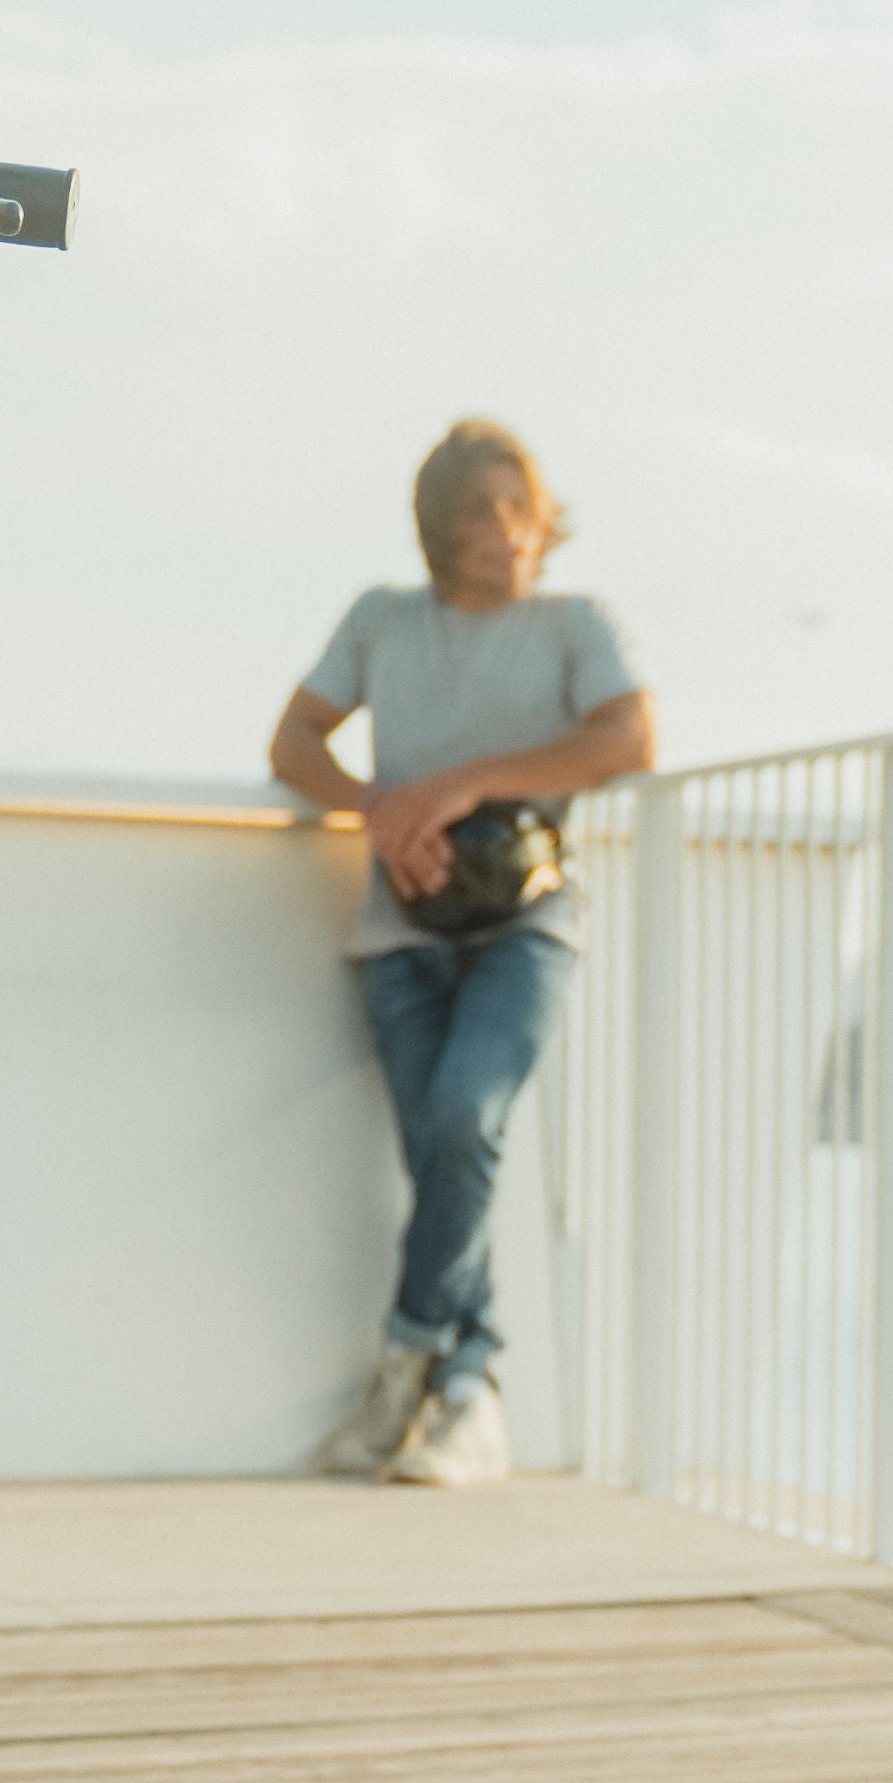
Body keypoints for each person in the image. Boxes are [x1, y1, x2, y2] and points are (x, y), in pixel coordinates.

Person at [269, 418, 657, 1485]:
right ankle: (465, 1396)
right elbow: (292, 740)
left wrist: (469, 781)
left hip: (524, 925)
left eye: (516, 505)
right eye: (478, 509)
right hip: (398, 933)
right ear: (440, 526)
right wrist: (379, 805)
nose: (502, 529)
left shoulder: (576, 623)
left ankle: (413, 1362)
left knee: (464, 1117)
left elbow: (629, 739)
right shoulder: (383, 619)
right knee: (446, 1157)